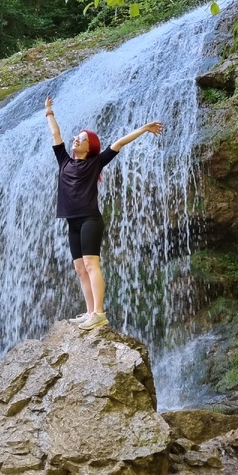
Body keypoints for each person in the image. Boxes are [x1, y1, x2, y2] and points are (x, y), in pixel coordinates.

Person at [45, 94, 163, 331]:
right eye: (77, 137)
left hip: (90, 219)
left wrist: (144, 128)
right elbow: (56, 135)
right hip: (72, 222)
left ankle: (99, 313)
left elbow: (118, 143)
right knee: (80, 269)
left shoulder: (95, 162)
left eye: (82, 138)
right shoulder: (64, 161)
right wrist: (49, 113)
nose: (76, 140)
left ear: (90, 147)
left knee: (90, 264)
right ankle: (90, 312)